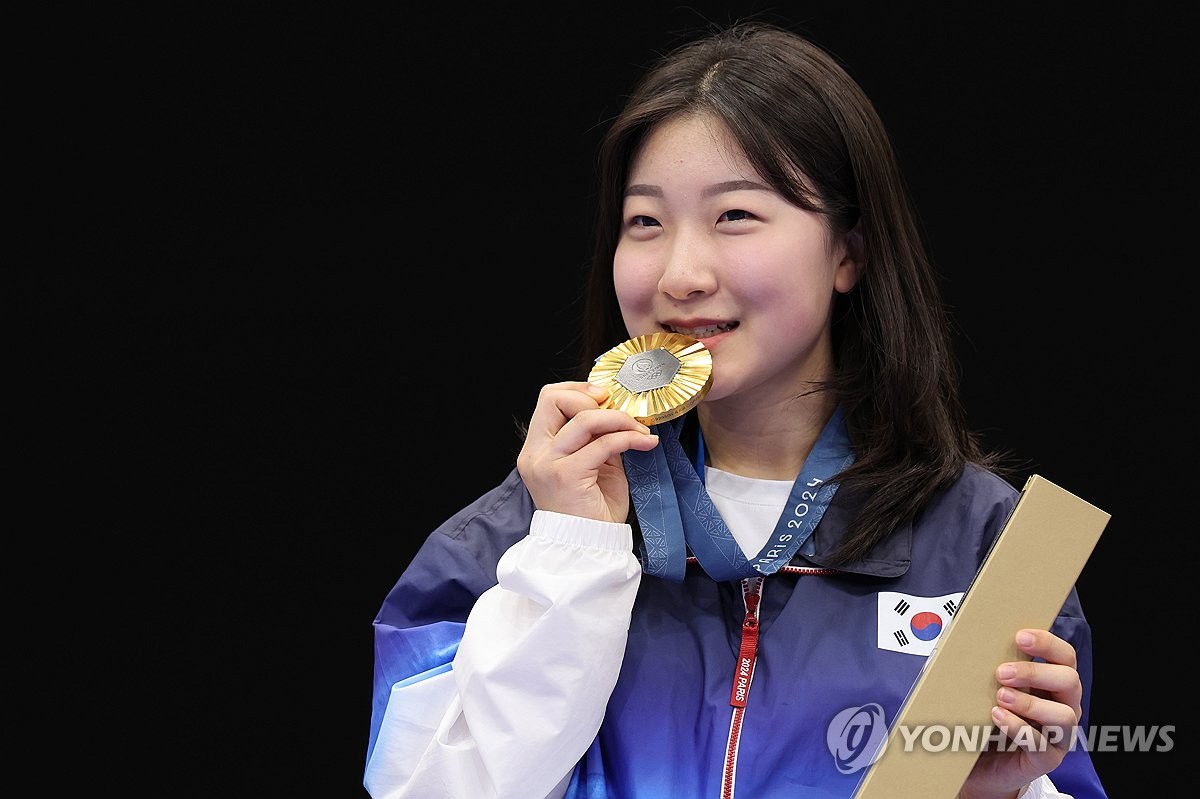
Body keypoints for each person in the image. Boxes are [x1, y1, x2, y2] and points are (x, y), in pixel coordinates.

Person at [363, 20, 1106, 799]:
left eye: (736, 216)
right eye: (644, 222)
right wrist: (571, 555)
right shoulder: (512, 538)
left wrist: (991, 793)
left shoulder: (985, 546)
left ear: (848, 251)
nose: (680, 273)